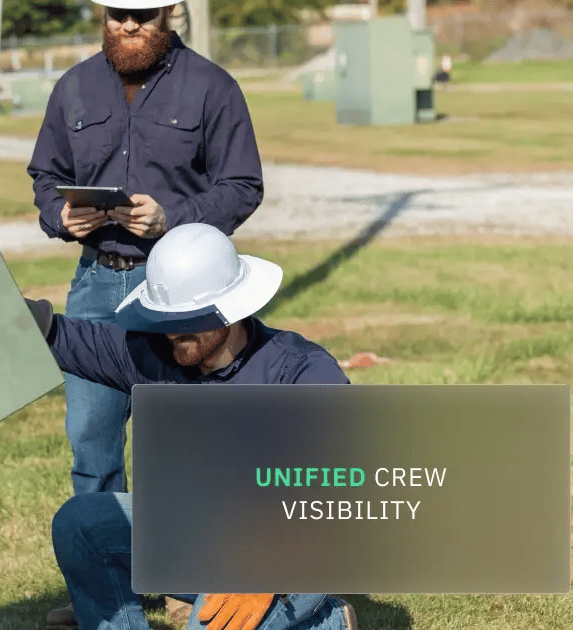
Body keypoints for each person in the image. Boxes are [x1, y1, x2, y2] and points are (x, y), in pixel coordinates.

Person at [25, 224, 358, 630]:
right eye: (165, 318)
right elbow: (63, 336)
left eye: (188, 320)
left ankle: (327, 620)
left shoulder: (301, 371)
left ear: (231, 309)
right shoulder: (156, 354)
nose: (172, 332)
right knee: (82, 524)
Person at [26, 0, 264, 507]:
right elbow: (45, 174)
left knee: (184, 440)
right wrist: (61, 216)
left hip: (182, 293)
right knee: (91, 441)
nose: (130, 24)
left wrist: (171, 219)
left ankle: (191, 552)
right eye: (118, 14)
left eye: (144, 14)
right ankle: (107, 559)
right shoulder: (73, 87)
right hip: (96, 284)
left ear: (169, 12)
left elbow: (243, 185)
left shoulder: (213, 86)